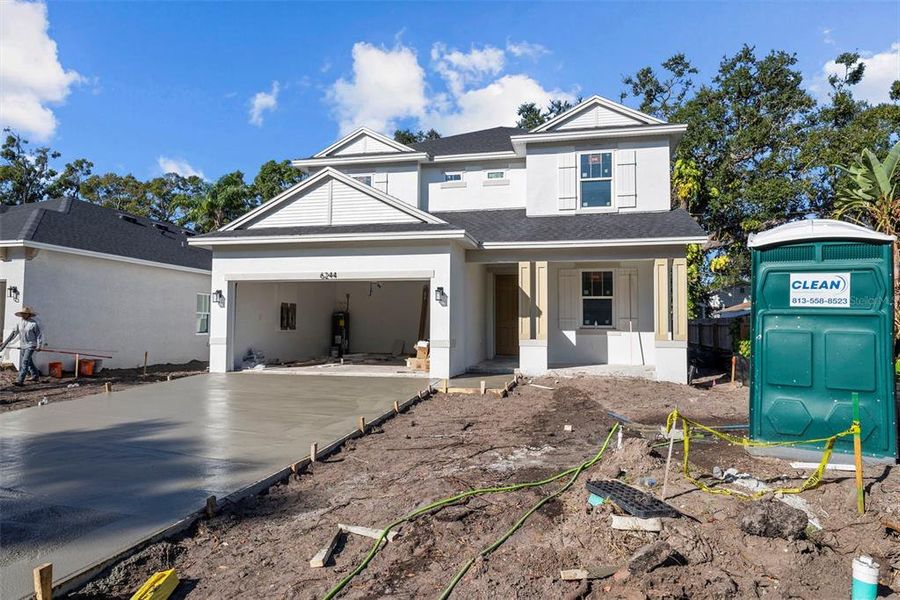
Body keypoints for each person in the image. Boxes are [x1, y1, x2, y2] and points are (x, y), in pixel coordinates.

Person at [0, 306, 44, 386]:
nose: (23, 315)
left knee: (25, 362)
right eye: (22, 314)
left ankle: (20, 380)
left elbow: (39, 336)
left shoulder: (33, 324)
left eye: (25, 314)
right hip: (23, 345)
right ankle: (35, 375)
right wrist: (5, 343)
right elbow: (13, 334)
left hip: (31, 345)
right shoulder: (19, 323)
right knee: (29, 362)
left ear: (29, 315)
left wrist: (39, 345)